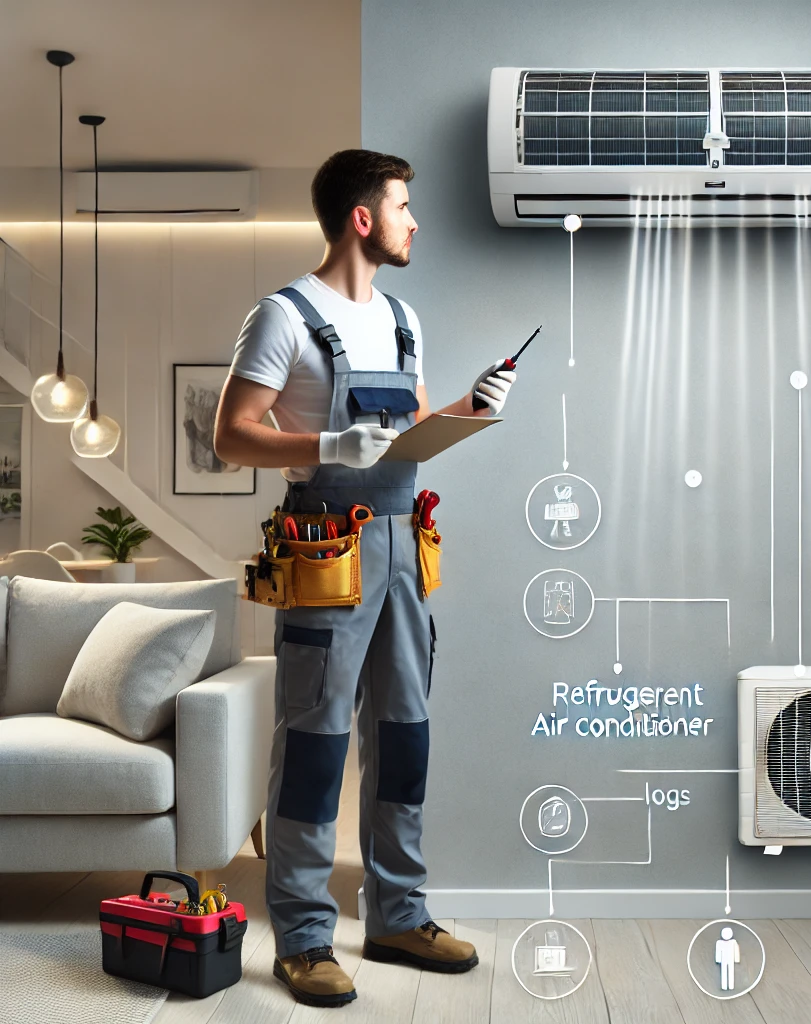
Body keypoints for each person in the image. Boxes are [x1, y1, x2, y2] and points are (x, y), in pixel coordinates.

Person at [214, 149, 516, 1008]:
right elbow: (231, 436)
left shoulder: (403, 316)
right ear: (361, 218)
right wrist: (322, 447)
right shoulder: (282, 316)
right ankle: (305, 937)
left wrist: (472, 406)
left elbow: (415, 427)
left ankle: (397, 913)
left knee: (405, 738)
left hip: (404, 554)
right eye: (402, 206)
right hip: (326, 553)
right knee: (315, 747)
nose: (414, 221)